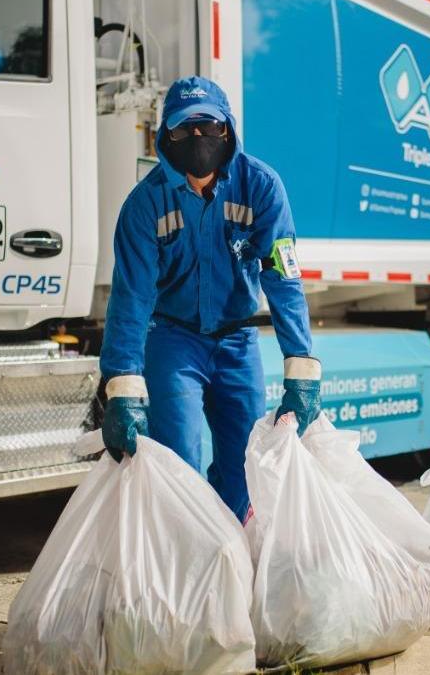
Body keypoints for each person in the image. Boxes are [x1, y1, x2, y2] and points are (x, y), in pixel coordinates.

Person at [98, 76, 321, 521]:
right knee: (178, 462)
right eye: (185, 130)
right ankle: (189, 570)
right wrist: (121, 383)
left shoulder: (259, 187)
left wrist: (301, 364)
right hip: (173, 342)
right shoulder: (145, 205)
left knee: (245, 474)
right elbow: (131, 297)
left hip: (237, 344)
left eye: (209, 127)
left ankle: (231, 567)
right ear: (166, 136)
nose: (198, 139)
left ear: (228, 129)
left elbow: (282, 275)